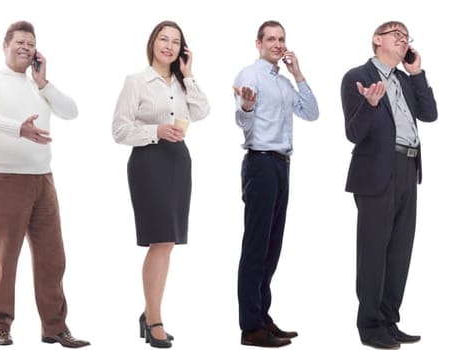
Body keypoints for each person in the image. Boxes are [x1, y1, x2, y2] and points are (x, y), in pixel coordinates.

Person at [0, 20, 88, 349]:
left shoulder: (39, 85)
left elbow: (72, 112)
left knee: (53, 256)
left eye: (30, 43)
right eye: (19, 41)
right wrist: (17, 129)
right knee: (5, 256)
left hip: (43, 179)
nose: (25, 47)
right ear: (5, 45)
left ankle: (55, 327)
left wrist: (45, 82)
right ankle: (0, 324)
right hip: (6, 178)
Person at [110, 20, 209, 349]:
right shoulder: (136, 81)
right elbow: (119, 131)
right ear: (153, 43)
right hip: (149, 164)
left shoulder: (182, 84)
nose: (169, 45)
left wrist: (190, 74)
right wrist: (156, 131)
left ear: (183, 49)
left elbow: (203, 111)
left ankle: (149, 312)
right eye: (163, 39)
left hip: (178, 162)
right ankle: (154, 319)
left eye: (176, 41)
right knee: (160, 239)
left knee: (168, 241)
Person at [340, 20, 436, 350]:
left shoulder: (406, 82)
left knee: (399, 250)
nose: (402, 38)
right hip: (376, 171)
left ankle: (389, 320)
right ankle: (369, 325)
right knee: (373, 251)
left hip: (409, 167)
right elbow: (353, 133)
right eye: (396, 33)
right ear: (377, 39)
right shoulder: (356, 77)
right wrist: (368, 105)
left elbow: (430, 113)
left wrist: (418, 74)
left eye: (406, 36)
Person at [230, 20, 319, 348]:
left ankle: (262, 316)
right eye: (271, 39)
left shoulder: (282, 84)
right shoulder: (248, 76)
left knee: (272, 246)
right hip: (260, 163)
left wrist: (297, 73)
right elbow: (241, 121)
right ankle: (250, 327)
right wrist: (248, 106)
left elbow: (312, 113)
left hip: (282, 165)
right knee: (255, 247)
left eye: (282, 39)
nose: (278, 44)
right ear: (258, 43)